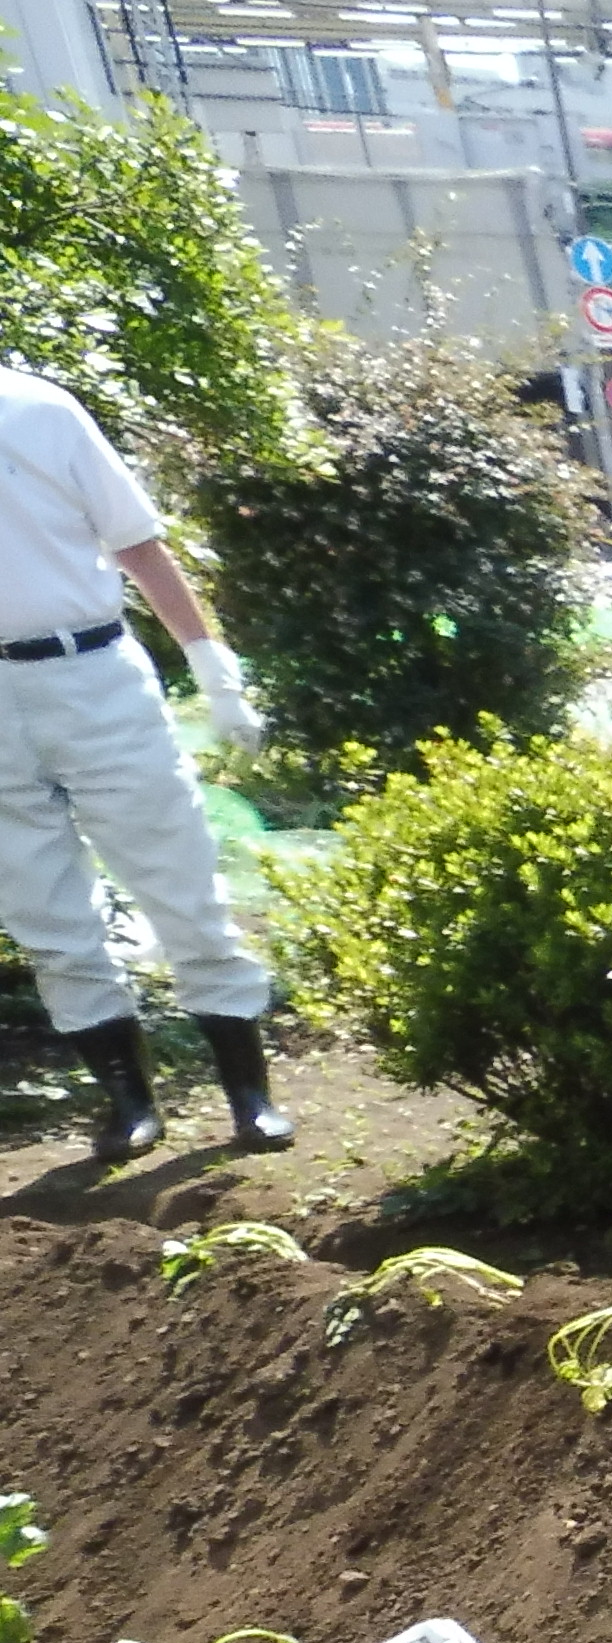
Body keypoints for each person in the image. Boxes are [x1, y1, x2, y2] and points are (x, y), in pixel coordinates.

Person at [0, 361, 290, 1163]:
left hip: (89, 671)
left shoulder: (39, 409)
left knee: (178, 874)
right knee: (42, 906)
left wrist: (209, 663)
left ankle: (248, 1094)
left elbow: (136, 541)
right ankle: (128, 1101)